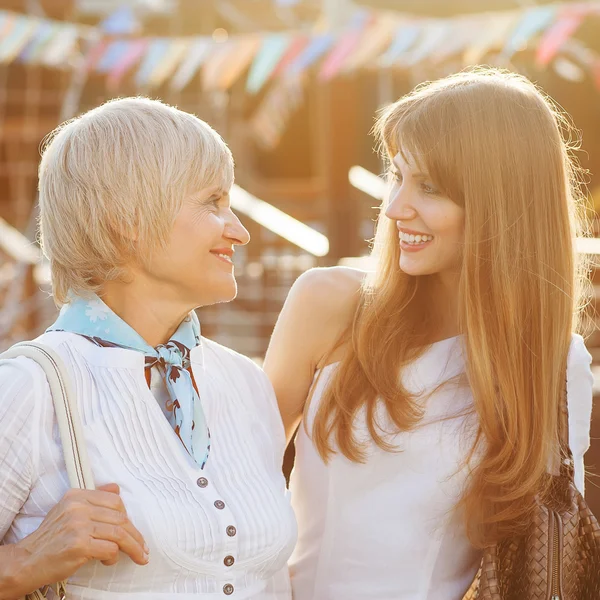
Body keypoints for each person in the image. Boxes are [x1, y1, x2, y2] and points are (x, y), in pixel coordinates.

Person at [264, 68, 595, 600]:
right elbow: (233, 484)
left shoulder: (555, 364)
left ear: (500, 205)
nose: (395, 207)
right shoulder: (327, 302)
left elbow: (550, 552)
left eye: (430, 187)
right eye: (396, 176)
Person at [0, 98, 297, 600]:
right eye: (213, 202)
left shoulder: (245, 381)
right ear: (128, 219)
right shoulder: (30, 385)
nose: (240, 231)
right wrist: (23, 564)